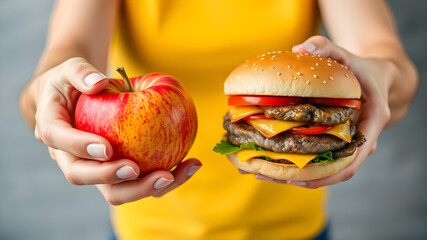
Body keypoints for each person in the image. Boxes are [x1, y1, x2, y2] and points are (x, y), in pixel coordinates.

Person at [20, 0, 417, 239]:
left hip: (297, 231)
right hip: (147, 233)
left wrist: (382, 76)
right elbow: (63, 56)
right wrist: (48, 93)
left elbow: (388, 63)